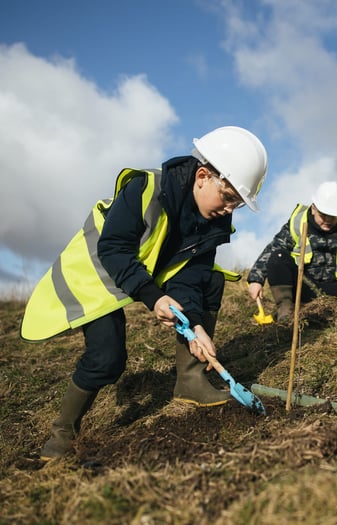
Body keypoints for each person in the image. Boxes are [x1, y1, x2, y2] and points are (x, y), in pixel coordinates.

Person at [20, 126, 268, 461]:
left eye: (236, 205)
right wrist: (153, 297)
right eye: (227, 198)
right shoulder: (145, 189)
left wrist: (194, 325)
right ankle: (59, 440)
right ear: (202, 176)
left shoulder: (213, 225)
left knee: (210, 279)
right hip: (95, 279)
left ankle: (191, 383)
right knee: (107, 360)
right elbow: (114, 249)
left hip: (141, 275)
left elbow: (189, 278)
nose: (228, 210)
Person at [247, 181, 337, 322]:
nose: (328, 221)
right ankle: (286, 311)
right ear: (313, 209)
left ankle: (332, 312)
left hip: (333, 289)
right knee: (278, 256)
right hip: (303, 285)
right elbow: (273, 249)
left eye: (333, 217)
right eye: (324, 215)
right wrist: (256, 279)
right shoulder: (297, 223)